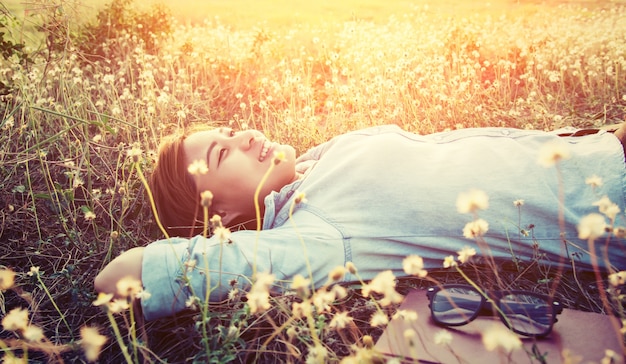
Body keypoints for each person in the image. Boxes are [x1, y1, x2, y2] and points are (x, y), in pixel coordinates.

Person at [95, 123, 626, 320]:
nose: (246, 137)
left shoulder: (313, 166)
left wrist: (585, 138)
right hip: (609, 202)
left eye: (231, 130)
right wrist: (221, 252)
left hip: (598, 152)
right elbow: (118, 277)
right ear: (224, 216)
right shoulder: (314, 236)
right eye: (222, 154)